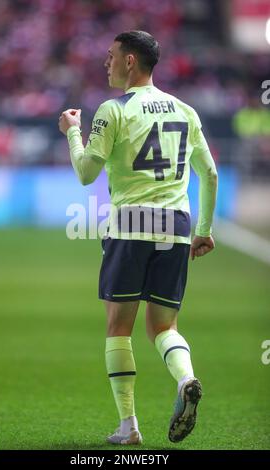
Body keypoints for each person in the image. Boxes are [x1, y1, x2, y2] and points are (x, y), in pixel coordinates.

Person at [59, 30, 218, 446]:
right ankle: (186, 378)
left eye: (111, 55)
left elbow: (85, 173)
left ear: (131, 61)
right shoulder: (186, 110)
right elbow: (210, 174)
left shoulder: (113, 110)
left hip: (131, 224)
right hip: (178, 226)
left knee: (119, 328)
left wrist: (73, 131)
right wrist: (204, 231)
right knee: (164, 326)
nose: (106, 63)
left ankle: (128, 426)